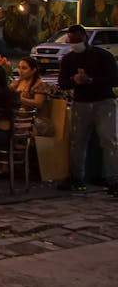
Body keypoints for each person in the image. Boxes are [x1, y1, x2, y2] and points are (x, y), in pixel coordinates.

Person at [57, 24, 118, 196]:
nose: (73, 43)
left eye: (76, 40)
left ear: (85, 38)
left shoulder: (103, 56)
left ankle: (113, 179)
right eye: (71, 41)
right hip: (81, 103)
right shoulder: (69, 59)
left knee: (109, 141)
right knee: (77, 142)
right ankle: (77, 178)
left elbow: (114, 79)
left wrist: (90, 80)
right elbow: (62, 83)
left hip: (104, 102)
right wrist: (74, 80)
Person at [12, 57, 55, 137]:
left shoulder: (40, 84)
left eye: (24, 68)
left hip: (34, 120)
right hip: (18, 116)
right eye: (19, 68)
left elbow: (39, 103)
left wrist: (21, 99)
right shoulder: (18, 82)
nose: (20, 71)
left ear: (33, 70)